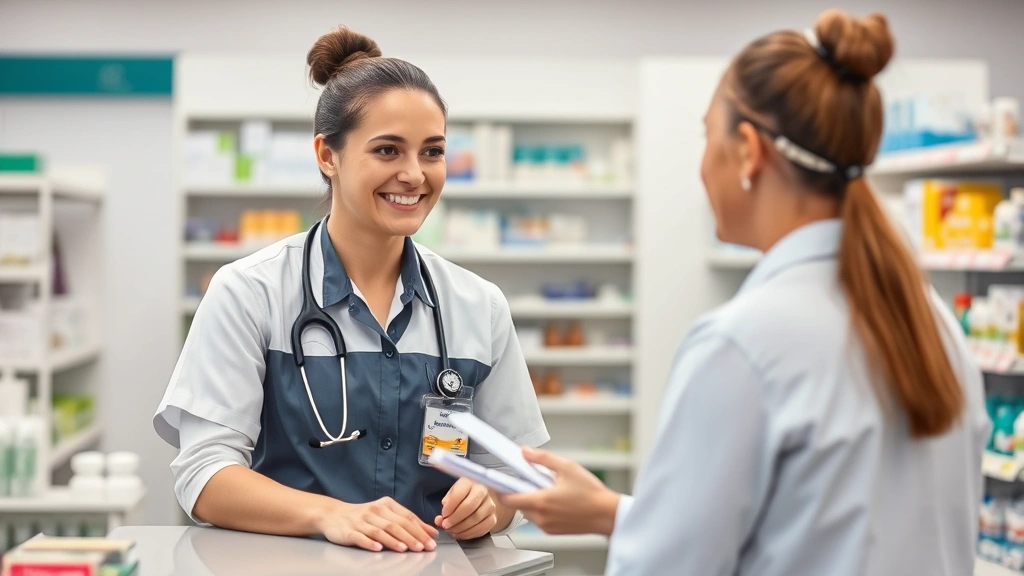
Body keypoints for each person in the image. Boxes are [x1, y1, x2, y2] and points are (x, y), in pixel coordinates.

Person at [498, 9, 989, 576]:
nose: (703, 164)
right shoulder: (933, 327)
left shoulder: (743, 345)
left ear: (750, 151)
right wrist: (616, 513)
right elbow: (821, 529)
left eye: (709, 135)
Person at [154, 26, 548, 553]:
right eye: (388, 150)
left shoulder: (478, 305)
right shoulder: (251, 293)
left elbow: (511, 472)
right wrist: (330, 516)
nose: (414, 174)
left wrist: (491, 503)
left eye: (432, 152)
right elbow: (204, 475)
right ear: (327, 155)